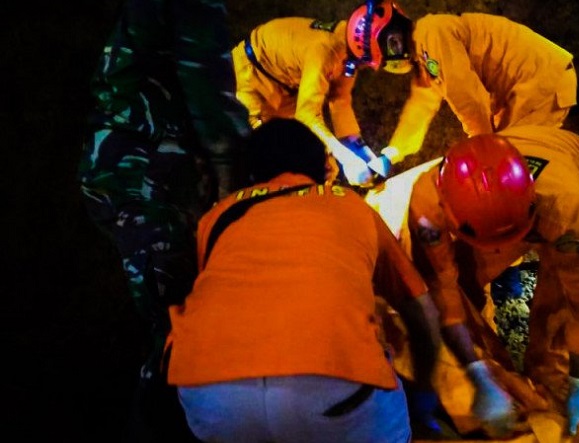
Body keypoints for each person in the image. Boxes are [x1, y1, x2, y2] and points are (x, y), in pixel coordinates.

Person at [166, 118, 442, 443]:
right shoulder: (349, 205)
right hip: (335, 386)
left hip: (209, 392)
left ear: (252, 171)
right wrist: (424, 386)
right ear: (321, 167)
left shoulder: (218, 216)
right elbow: (421, 312)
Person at [76, 0, 250, 439]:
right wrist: (236, 173)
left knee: (167, 316)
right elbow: (208, 82)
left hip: (129, 162)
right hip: (144, 168)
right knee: (178, 317)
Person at [391, 125, 579, 437]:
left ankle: (551, 393)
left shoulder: (568, 209)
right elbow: (444, 289)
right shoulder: (429, 208)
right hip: (492, 214)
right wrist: (477, 372)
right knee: (463, 284)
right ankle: (500, 377)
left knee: (559, 303)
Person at [358, 12, 577, 175]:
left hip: (538, 82)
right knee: (514, 164)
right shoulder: (424, 53)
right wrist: (390, 155)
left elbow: (466, 96)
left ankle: (562, 225)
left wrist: (482, 148)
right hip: (532, 84)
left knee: (518, 168)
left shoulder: (432, 35)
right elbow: (420, 107)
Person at [232, 0, 413, 186]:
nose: (399, 48)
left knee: (323, 166)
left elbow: (339, 102)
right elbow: (307, 115)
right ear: (371, 39)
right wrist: (347, 159)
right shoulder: (326, 50)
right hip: (253, 81)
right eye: (394, 42)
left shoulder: (349, 55)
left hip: (286, 87)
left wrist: (363, 153)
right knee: (268, 161)